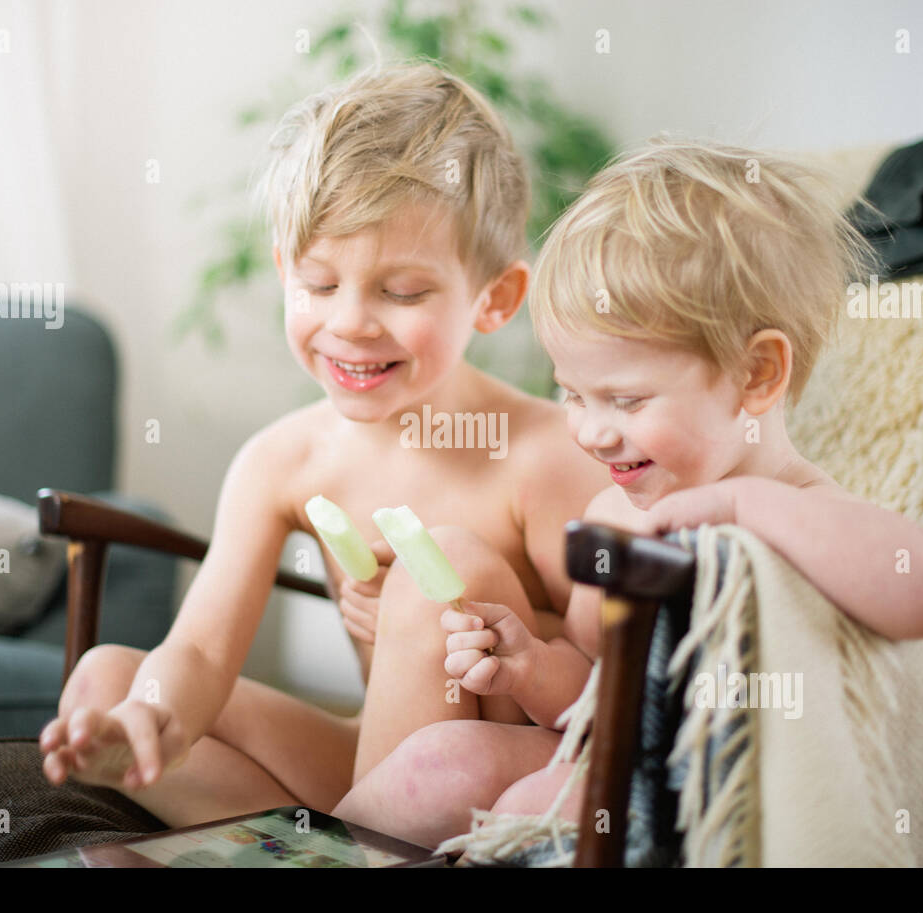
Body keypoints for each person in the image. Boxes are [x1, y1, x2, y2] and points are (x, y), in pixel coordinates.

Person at [333, 138, 923, 849]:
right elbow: (593, 686)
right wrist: (531, 666)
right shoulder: (615, 516)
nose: (592, 432)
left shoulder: (803, 509)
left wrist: (740, 507)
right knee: (436, 762)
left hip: (722, 794)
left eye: (625, 399)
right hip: (607, 759)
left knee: (540, 800)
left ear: (756, 374)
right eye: (571, 393)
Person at [38, 61, 608, 827]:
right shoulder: (284, 461)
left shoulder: (544, 454)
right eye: (317, 282)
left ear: (494, 299)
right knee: (110, 680)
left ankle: (348, 840)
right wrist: (151, 719)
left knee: (452, 560)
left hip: (491, 766)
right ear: (283, 272)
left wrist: (450, 619)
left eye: (402, 292)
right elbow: (203, 654)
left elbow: (610, 684)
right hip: (371, 753)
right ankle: (327, 844)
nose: (350, 322)